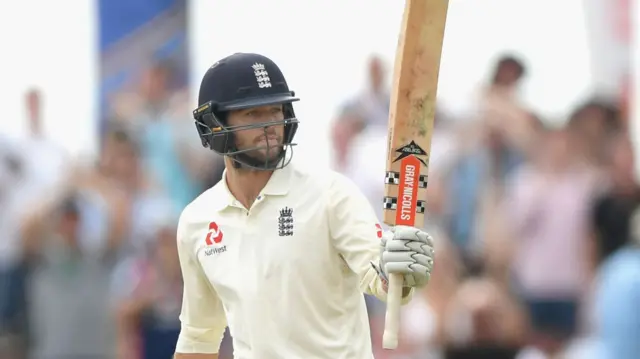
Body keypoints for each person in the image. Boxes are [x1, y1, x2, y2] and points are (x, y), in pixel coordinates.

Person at [174, 52, 436, 359]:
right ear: (214, 124)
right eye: (252, 115)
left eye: (275, 111)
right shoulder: (197, 220)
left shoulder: (331, 195)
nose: (270, 125)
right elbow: (199, 336)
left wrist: (397, 270)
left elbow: (378, 276)